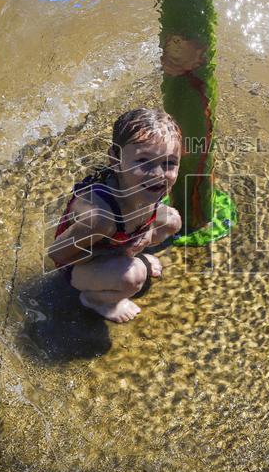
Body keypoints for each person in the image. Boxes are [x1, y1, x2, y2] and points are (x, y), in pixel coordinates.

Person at [48, 108, 183, 323]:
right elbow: (56, 255)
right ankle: (95, 300)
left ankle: (124, 260)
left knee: (172, 221)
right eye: (144, 161)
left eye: (169, 163)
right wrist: (122, 251)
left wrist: (146, 233)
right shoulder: (100, 218)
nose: (159, 174)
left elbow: (157, 218)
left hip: (120, 239)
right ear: (115, 158)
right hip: (78, 266)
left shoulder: (145, 186)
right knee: (133, 276)